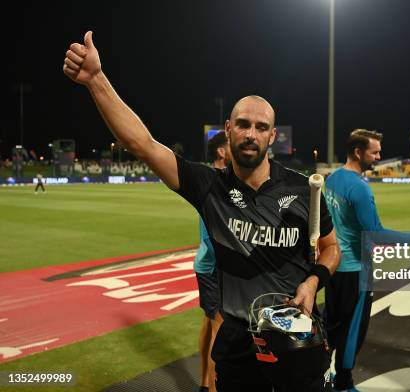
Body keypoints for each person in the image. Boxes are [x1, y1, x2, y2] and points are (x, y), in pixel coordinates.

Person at [63, 31, 340, 392]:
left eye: (261, 127)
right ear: (228, 130)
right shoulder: (209, 186)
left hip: (297, 340)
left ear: (273, 137)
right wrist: (96, 80)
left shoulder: (304, 189)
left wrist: (313, 280)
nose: (251, 134)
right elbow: (143, 145)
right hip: (238, 344)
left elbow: (332, 249)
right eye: (243, 124)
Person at [323, 129, 410, 392]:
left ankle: (322, 375)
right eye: (375, 151)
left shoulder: (334, 178)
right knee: (352, 332)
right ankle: (343, 384)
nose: (379, 156)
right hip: (356, 271)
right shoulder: (359, 188)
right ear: (358, 152)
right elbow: (379, 234)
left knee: (332, 325)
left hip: (334, 265)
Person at [196, 132, 231, 392]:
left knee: (210, 323)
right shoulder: (213, 181)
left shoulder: (220, 179)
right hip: (213, 265)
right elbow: (212, 233)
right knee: (219, 327)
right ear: (221, 151)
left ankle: (204, 384)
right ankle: (211, 388)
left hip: (207, 263)